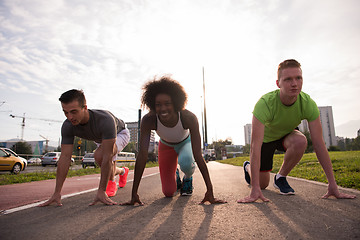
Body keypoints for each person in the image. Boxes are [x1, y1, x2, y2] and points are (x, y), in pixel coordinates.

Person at [238, 59, 356, 203]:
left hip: (287, 135)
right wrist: (254, 189)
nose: (294, 83)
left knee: (301, 140)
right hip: (266, 140)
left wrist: (333, 185)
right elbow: (255, 146)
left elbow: (319, 144)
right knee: (262, 185)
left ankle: (280, 177)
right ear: (278, 84)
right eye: (288, 79)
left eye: (298, 78)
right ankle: (248, 167)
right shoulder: (265, 104)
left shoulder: (307, 104)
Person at [122, 76, 226, 205]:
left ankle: (187, 178)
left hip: (185, 143)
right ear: (153, 106)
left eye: (167, 103)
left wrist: (210, 191)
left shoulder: (189, 117)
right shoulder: (148, 120)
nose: (163, 109)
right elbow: (142, 155)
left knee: (186, 163)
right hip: (166, 146)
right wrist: (134, 194)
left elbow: (198, 155)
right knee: (168, 192)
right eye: (158, 105)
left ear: (176, 103)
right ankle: (175, 175)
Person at [40, 89, 130, 206]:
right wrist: (57, 193)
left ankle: (111, 183)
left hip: (120, 133)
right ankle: (123, 171)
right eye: (65, 112)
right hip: (100, 138)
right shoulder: (67, 125)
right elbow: (65, 157)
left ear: (85, 107)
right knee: (101, 159)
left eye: (74, 112)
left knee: (101, 156)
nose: (70, 117)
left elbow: (107, 155)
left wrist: (101, 191)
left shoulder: (105, 120)